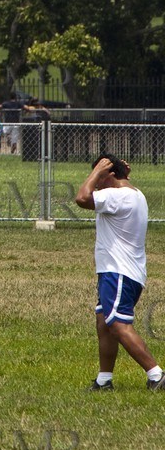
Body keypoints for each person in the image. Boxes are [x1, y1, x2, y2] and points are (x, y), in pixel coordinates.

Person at [76, 154, 163, 392]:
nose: (97, 182)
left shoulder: (117, 196)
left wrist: (97, 172)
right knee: (104, 322)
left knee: (117, 324)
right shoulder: (134, 193)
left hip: (119, 272)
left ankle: (156, 375)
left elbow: (82, 198)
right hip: (120, 271)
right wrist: (110, 172)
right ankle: (104, 380)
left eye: (101, 176)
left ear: (111, 175)